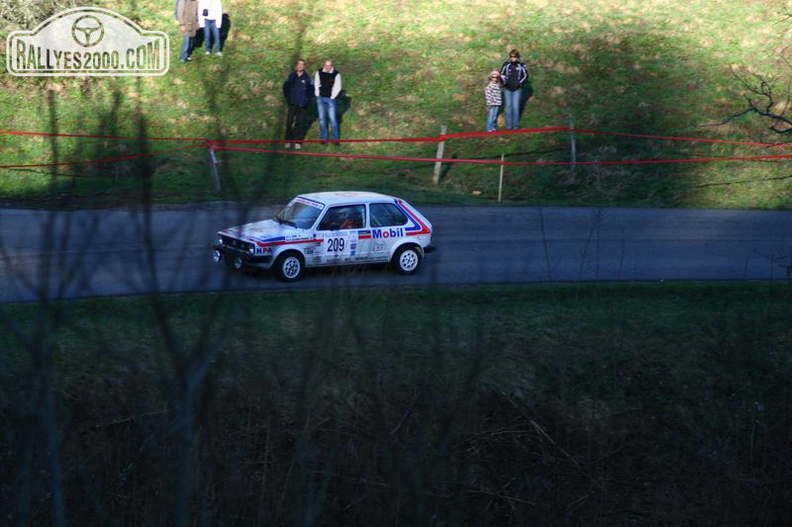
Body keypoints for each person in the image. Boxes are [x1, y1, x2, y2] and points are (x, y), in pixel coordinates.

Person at [282, 59, 313, 149]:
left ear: (304, 66)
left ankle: (297, 142)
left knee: (300, 123)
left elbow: (311, 90)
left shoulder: (308, 78)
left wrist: (307, 100)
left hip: (302, 104)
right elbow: (285, 87)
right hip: (292, 103)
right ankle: (288, 140)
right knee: (289, 122)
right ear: (296, 66)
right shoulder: (291, 76)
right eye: (298, 64)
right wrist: (288, 97)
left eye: (302, 64)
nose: (300, 66)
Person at [499, 49, 529, 129]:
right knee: (508, 107)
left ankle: (515, 126)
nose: (512, 58)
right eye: (511, 56)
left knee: (515, 107)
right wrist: (504, 82)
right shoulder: (506, 64)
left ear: (517, 57)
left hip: (517, 89)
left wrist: (520, 84)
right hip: (507, 89)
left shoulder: (521, 65)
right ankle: (509, 126)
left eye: (514, 57)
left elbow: (526, 76)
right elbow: (501, 74)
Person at [314, 59, 342, 144]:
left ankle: (335, 139)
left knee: (332, 119)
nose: (327, 67)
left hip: (330, 100)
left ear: (332, 66)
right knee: (322, 119)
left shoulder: (336, 74)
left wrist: (332, 97)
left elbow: (338, 87)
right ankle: (323, 138)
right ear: (324, 65)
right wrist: (317, 94)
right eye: (326, 65)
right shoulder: (319, 72)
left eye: (329, 65)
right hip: (320, 98)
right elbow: (316, 83)